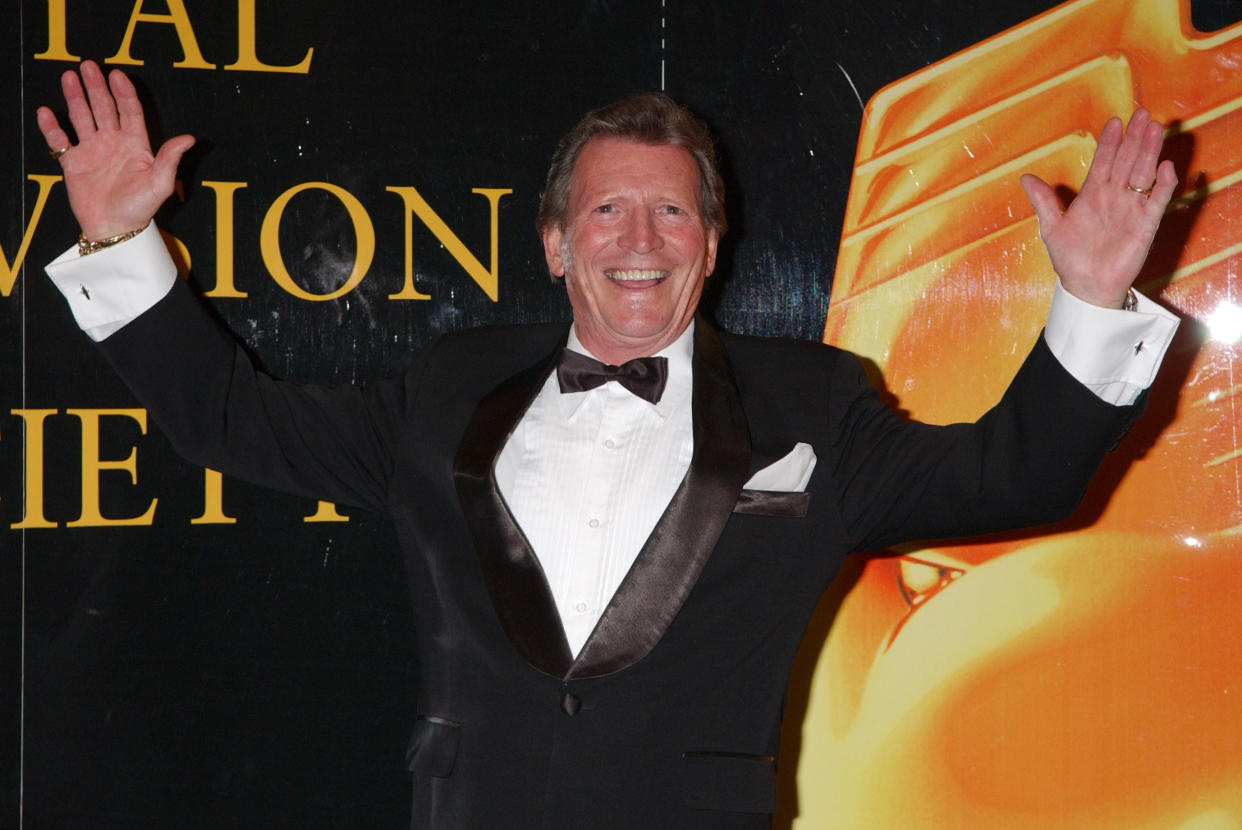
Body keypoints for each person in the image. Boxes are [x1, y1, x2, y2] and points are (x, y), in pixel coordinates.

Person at [38, 61, 1178, 829]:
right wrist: (120, 237)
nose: (641, 239)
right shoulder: (445, 389)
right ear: (552, 243)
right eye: (605, 212)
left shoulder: (814, 404)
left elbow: (1018, 472)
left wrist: (1086, 300)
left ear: (714, 244)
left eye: (674, 211)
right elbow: (234, 419)